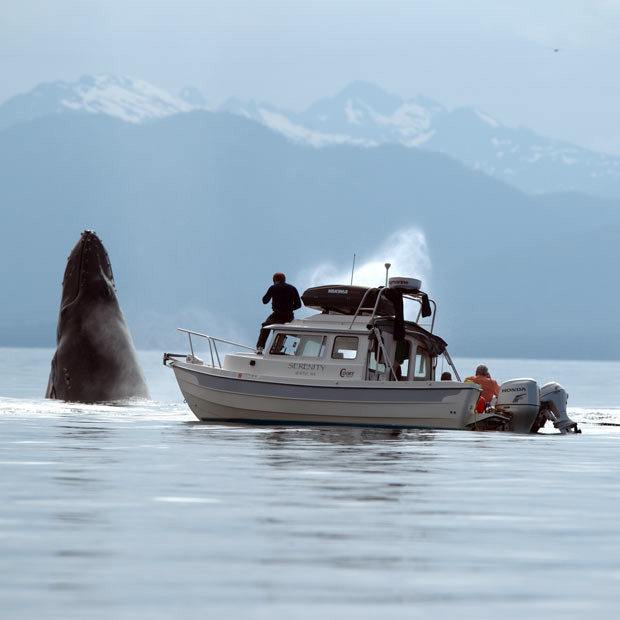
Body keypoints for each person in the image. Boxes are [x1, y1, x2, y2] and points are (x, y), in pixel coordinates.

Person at [256, 272, 301, 353]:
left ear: (275, 280)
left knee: (265, 327)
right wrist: (289, 308)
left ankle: (260, 348)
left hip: (276, 315)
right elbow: (299, 305)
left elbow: (264, 301)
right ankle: (275, 349)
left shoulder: (273, 287)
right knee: (279, 330)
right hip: (288, 316)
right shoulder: (293, 288)